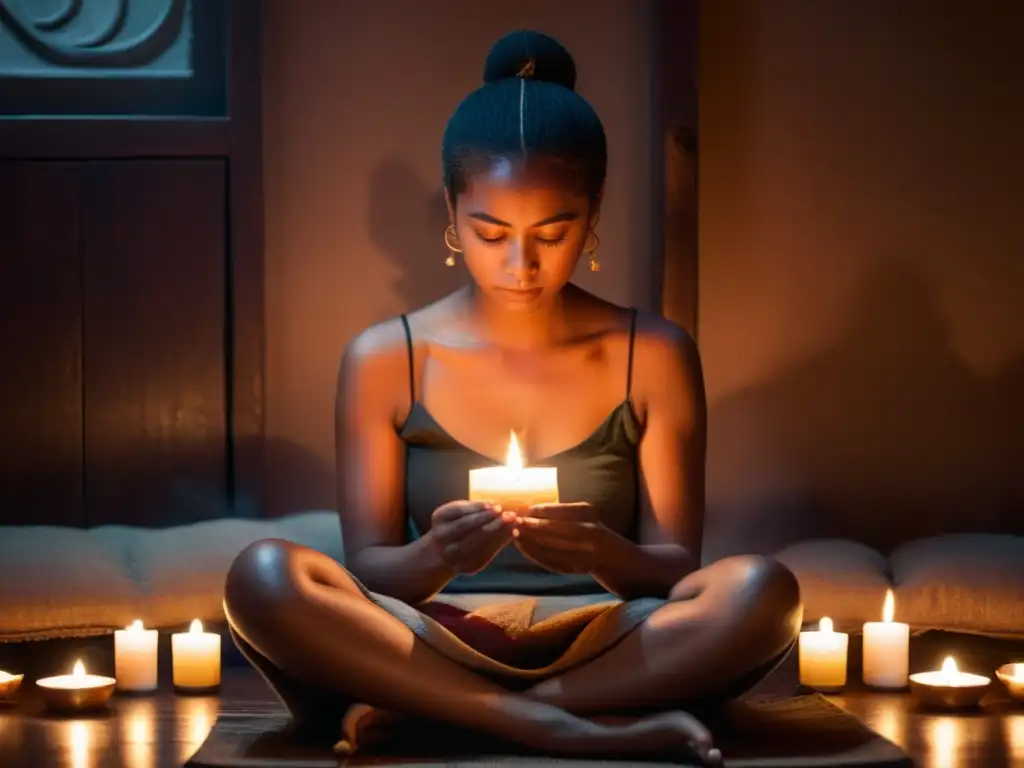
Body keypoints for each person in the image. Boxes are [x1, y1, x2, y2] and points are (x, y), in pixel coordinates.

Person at [224, 30, 802, 765]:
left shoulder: (650, 354)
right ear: (453, 213)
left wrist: (600, 550)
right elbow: (370, 568)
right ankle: (558, 727)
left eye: (552, 233)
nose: (521, 264)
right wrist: (436, 555)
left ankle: (467, 717)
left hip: (607, 641)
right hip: (429, 640)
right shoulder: (388, 358)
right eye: (491, 231)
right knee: (264, 576)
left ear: (592, 217)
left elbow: (676, 567)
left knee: (763, 591)